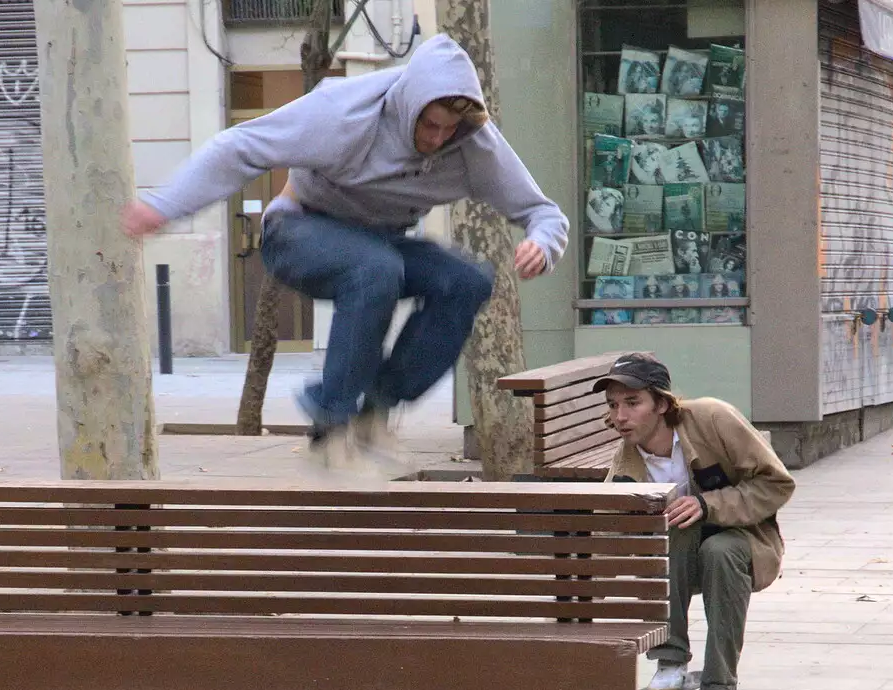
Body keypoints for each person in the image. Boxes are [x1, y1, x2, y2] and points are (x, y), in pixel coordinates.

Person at [122, 35, 568, 471]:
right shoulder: (342, 113)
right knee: (376, 269)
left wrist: (542, 244)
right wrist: (165, 205)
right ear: (406, 106)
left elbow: (542, 211)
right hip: (297, 230)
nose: (437, 139)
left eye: (450, 129)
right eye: (429, 125)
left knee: (467, 280)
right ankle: (330, 423)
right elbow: (238, 146)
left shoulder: (475, 145)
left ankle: (376, 409)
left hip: (381, 240)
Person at [596, 353, 794, 690]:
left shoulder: (713, 418)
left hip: (743, 541)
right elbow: (613, 533)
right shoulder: (626, 465)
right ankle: (670, 661)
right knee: (669, 525)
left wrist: (708, 504)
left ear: (663, 403)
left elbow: (777, 483)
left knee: (719, 551)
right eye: (613, 405)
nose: (619, 416)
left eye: (632, 403)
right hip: (677, 558)